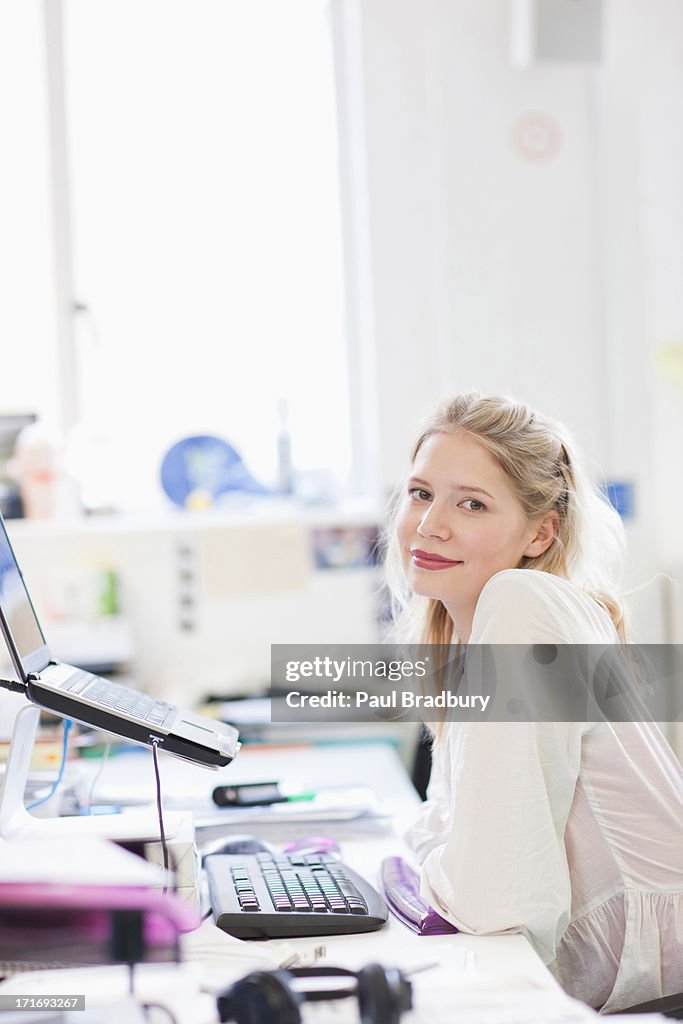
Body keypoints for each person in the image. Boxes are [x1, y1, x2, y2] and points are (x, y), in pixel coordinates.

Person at [385, 392, 683, 1014]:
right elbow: (447, 834)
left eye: (471, 503)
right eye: (420, 492)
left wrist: (427, 863)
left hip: (657, 989)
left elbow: (497, 896)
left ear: (539, 532)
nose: (430, 524)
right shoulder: (467, 640)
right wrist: (434, 860)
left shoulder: (523, 605)